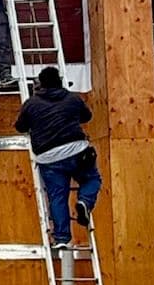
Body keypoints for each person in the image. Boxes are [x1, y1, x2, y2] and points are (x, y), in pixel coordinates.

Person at [14, 66, 102, 250]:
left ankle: (62, 238)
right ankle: (84, 201)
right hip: (76, 151)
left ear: (41, 84)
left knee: (57, 196)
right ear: (59, 81)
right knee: (92, 179)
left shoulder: (31, 103)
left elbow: (20, 127)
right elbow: (87, 117)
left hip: (49, 157)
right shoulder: (72, 99)